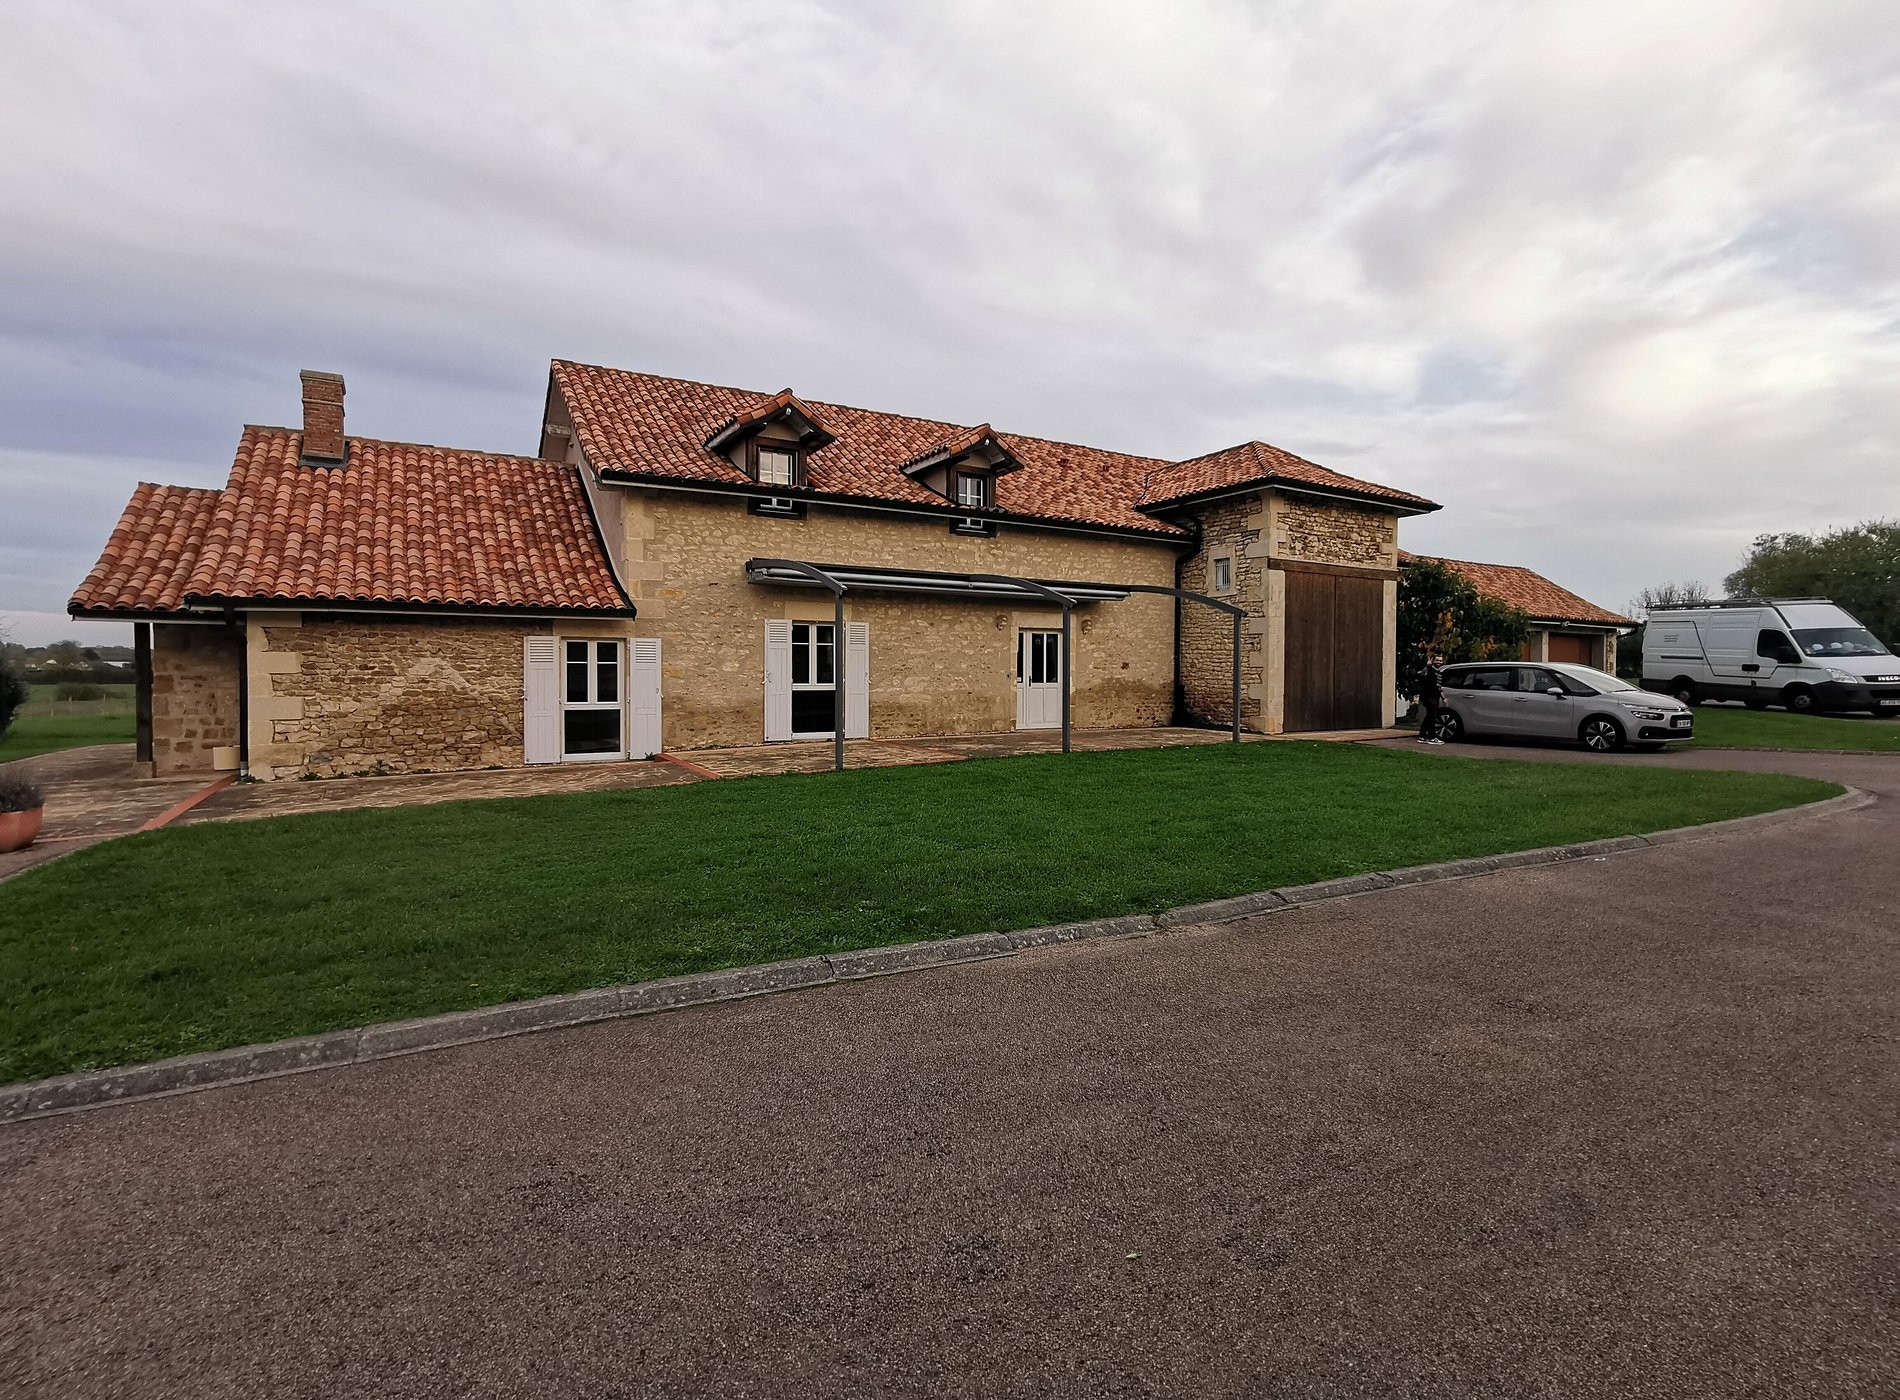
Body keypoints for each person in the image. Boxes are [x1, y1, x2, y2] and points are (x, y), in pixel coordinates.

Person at [1416, 652, 1446, 744]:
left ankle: (1422, 736)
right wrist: (1427, 666)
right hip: (1428, 696)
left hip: (1435, 697)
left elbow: (1439, 687)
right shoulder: (1429, 670)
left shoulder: (1439, 673)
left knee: (1430, 716)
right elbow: (1421, 675)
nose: (1439, 662)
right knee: (1432, 717)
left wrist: (1444, 698)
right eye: (1437, 660)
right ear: (1432, 660)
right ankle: (1432, 737)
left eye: (1440, 660)